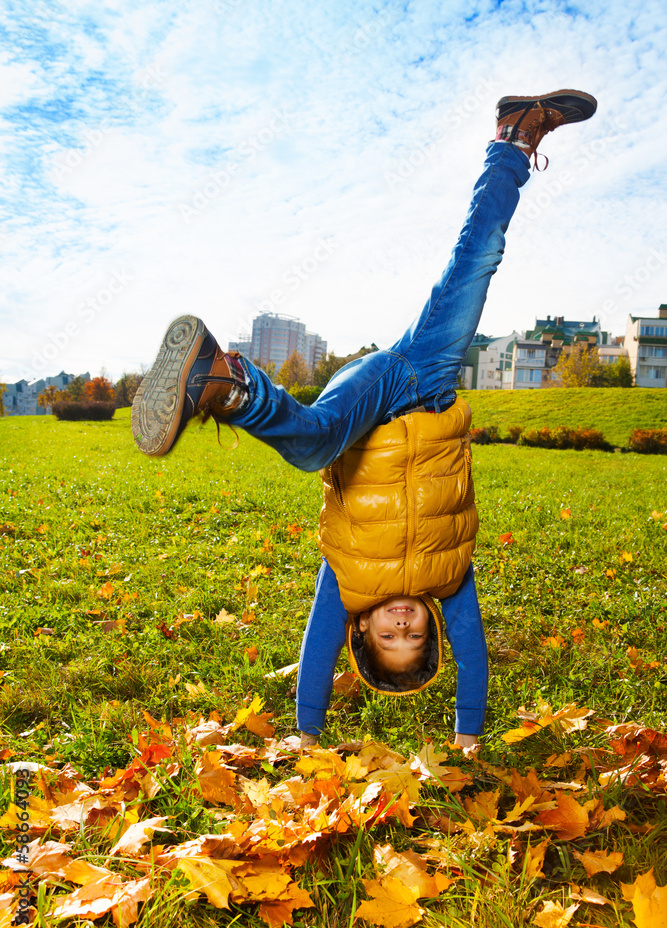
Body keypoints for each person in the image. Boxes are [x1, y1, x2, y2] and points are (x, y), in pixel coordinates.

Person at [132, 90, 597, 749]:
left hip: (372, 396)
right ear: (433, 626)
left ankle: (229, 385)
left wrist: (307, 734)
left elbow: (316, 651)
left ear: (362, 629)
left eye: (388, 636)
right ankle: (514, 140)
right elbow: (473, 651)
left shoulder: (346, 580)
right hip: (426, 382)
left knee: (314, 445)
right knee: (479, 255)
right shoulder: (448, 576)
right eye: (414, 634)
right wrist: (468, 736)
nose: (403, 622)